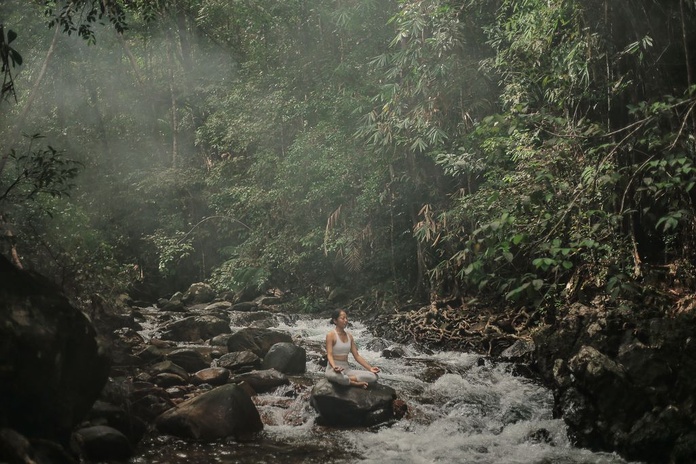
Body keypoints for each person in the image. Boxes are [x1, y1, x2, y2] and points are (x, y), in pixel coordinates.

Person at [325, 309, 380, 388]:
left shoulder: (349, 336)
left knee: (374, 376)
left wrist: (370, 368)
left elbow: (357, 356)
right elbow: (329, 355)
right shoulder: (330, 335)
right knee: (340, 377)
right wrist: (334, 367)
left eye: (346, 318)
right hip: (332, 370)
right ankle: (355, 383)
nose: (346, 320)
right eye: (342, 318)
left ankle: (348, 380)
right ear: (335, 320)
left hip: (347, 370)